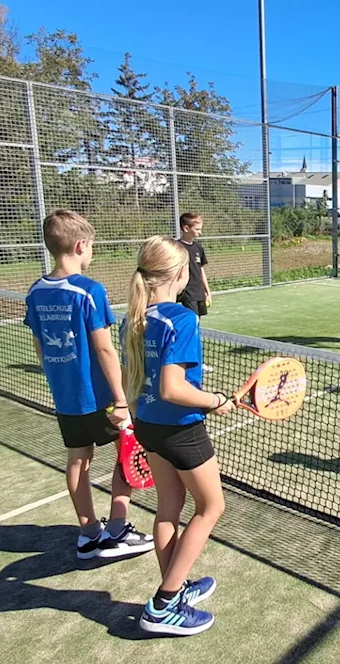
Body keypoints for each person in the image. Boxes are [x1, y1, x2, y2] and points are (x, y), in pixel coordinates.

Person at [24, 210, 155, 561]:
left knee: (77, 461)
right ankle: (117, 528)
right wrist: (121, 399)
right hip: (101, 397)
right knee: (126, 453)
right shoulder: (89, 290)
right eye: (92, 246)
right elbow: (104, 349)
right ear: (81, 246)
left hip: (66, 397)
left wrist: (57, 381)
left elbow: (40, 346)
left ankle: (88, 533)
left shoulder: (36, 291)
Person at [123, 236, 234, 637]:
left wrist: (136, 422)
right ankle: (165, 603)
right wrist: (214, 400)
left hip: (148, 425)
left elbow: (131, 380)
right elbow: (173, 388)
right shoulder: (183, 320)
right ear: (181, 274)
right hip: (180, 428)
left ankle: (175, 585)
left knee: (169, 508)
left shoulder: (133, 318)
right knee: (211, 508)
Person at [175, 212, 210, 317]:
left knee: (197, 320)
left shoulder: (198, 248)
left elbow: (201, 270)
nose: (200, 232)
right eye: (197, 229)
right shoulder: (176, 247)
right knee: (191, 319)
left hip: (198, 291)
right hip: (187, 293)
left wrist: (207, 291)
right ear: (186, 228)